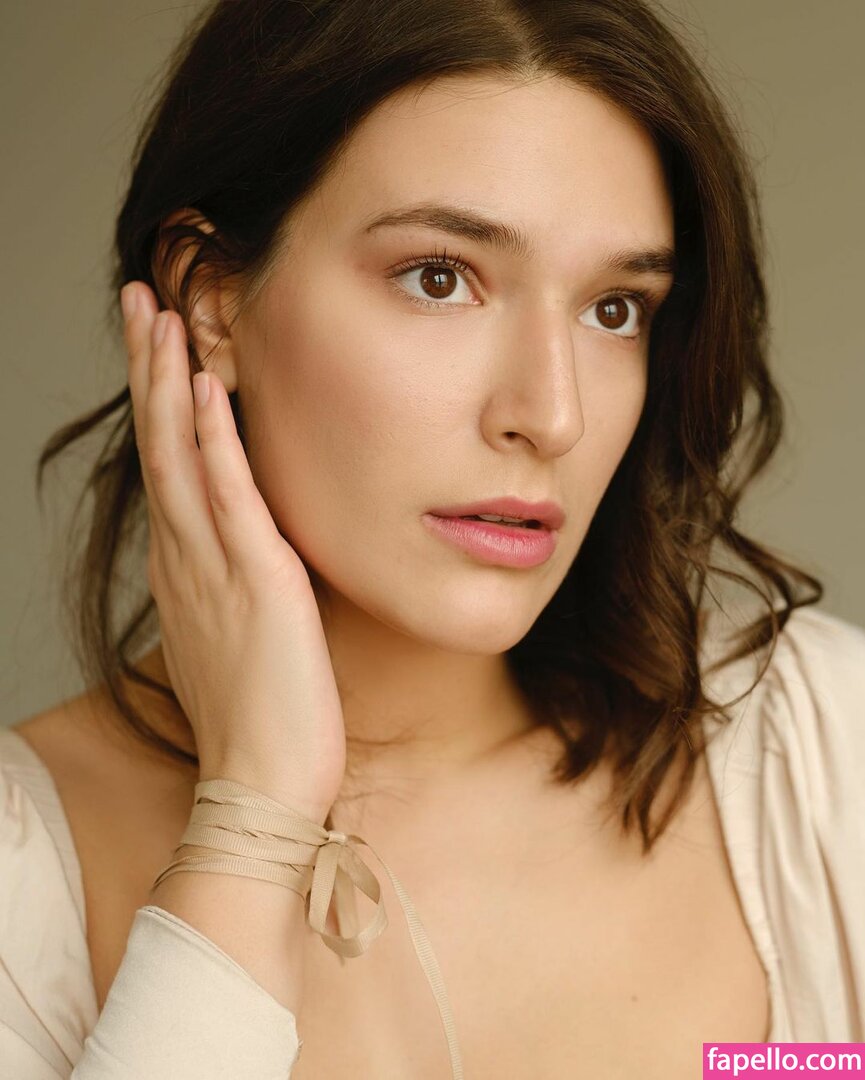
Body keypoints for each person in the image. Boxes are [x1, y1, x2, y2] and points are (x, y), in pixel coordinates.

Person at [1, 0, 863, 1076]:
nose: (551, 415)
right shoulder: (20, 875)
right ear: (211, 299)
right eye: (440, 278)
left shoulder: (820, 756)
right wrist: (251, 823)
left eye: (613, 308)